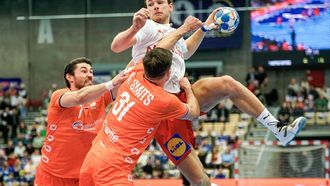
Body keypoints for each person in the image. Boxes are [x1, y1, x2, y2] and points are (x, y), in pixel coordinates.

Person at [111, 0, 306, 184]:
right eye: (150, 4)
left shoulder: (171, 32)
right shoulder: (147, 27)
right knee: (199, 180)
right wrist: (135, 27)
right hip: (161, 109)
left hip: (181, 93)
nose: (155, 7)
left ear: (170, 6)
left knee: (227, 83)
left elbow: (185, 50)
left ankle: (279, 129)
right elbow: (117, 46)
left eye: (160, 2)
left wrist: (204, 28)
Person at [79, 48, 201, 185]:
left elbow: (154, 52)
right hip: (113, 169)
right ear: (168, 74)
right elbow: (194, 112)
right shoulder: (164, 100)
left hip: (92, 158)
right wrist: (188, 88)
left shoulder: (135, 71)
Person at [34, 57, 128, 186]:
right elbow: (79, 98)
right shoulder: (59, 95)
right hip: (53, 176)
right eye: (84, 71)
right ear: (70, 77)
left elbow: (125, 77)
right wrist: (109, 84)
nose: (90, 75)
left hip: (85, 177)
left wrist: (141, 54)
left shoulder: (100, 96)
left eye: (91, 71)